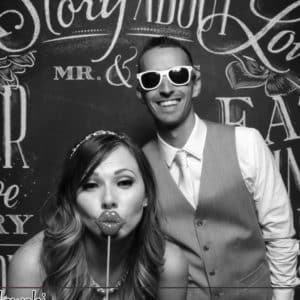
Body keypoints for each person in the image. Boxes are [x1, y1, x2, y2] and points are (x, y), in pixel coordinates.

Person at [136, 36, 299, 300]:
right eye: (152, 79)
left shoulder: (246, 143)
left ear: (195, 84)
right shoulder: (137, 167)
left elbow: (280, 236)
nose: (165, 89)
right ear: (140, 92)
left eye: (178, 75)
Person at [7, 130, 188, 300]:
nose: (108, 199)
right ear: (72, 200)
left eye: (124, 182)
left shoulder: (169, 264)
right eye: (91, 185)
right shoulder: (32, 264)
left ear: (147, 195)